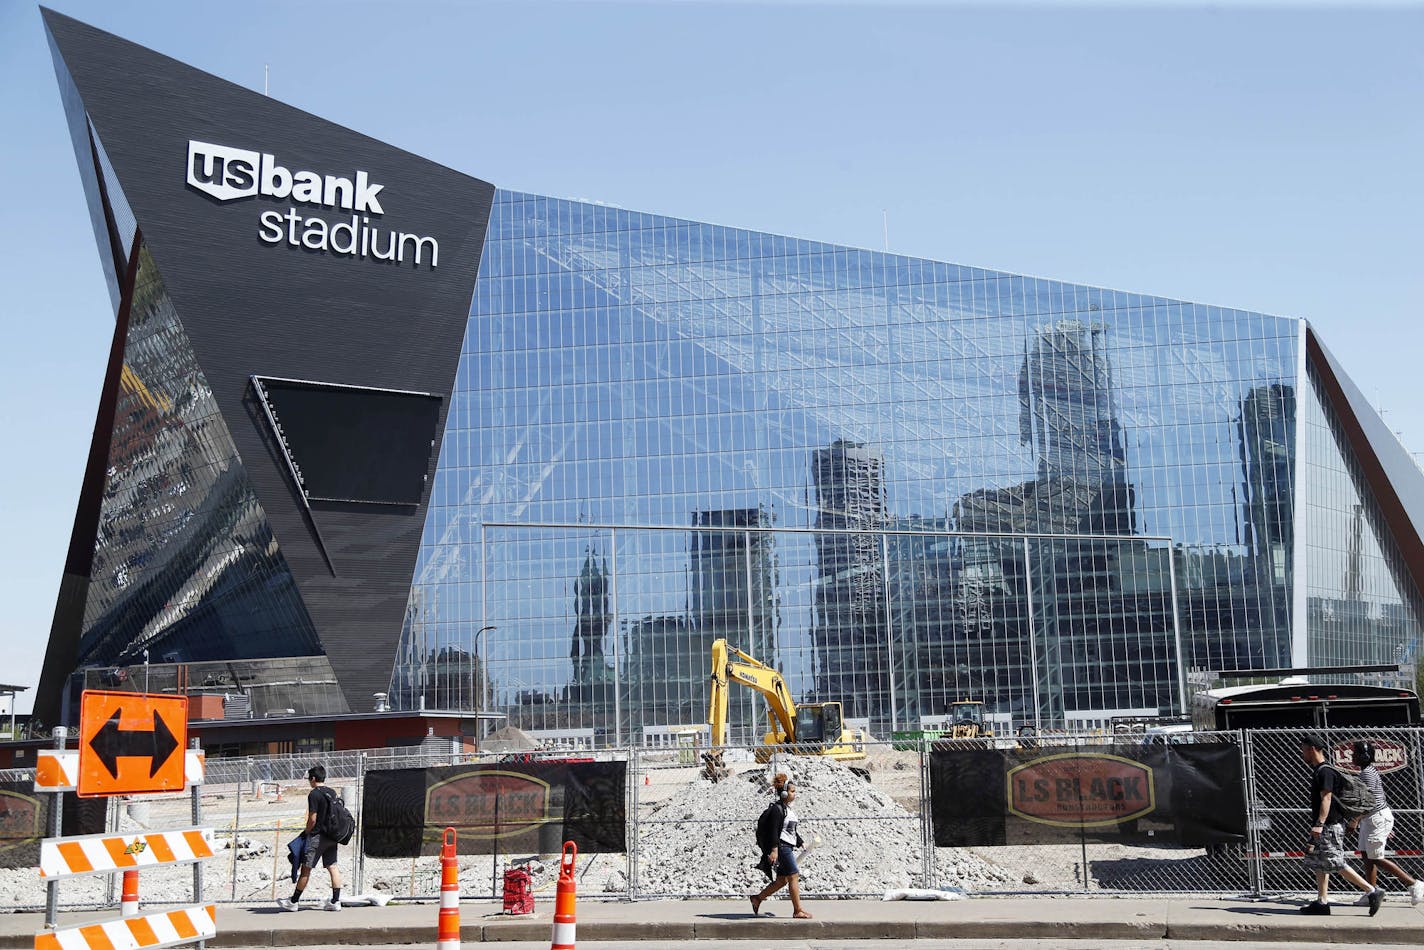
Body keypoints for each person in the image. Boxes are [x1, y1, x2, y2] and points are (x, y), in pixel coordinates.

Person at [1297, 735, 1383, 915]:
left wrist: (1319, 824)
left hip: (1329, 825)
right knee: (1319, 862)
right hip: (1325, 825)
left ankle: (1372, 891)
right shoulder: (1319, 770)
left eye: (1304, 749)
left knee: (1335, 862)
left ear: (1312, 749)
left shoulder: (1325, 771)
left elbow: (1326, 798)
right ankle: (1322, 902)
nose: (1302, 753)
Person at [1346, 740, 1424, 907]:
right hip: (1372, 818)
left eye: (1354, 754)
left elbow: (1368, 802)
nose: (1352, 756)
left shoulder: (1367, 773)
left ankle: (1413, 884)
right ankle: (1371, 892)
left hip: (1375, 817)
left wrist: (1354, 820)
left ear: (1363, 756)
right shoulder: (1367, 771)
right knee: (1367, 856)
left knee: (1376, 857)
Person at [277, 765, 344, 912]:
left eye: (309, 778)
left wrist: (307, 832)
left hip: (318, 836)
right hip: (332, 836)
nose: (309, 781)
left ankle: (293, 901)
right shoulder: (332, 792)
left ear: (313, 779)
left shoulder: (314, 794)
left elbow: (312, 819)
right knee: (332, 866)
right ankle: (335, 901)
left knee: (306, 869)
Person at [750, 780, 811, 919]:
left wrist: (801, 843)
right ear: (784, 793)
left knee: (782, 881)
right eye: (792, 791)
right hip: (782, 847)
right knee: (794, 875)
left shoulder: (787, 809)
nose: (795, 794)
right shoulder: (777, 810)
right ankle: (798, 910)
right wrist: (774, 850)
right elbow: (774, 831)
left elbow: (790, 831)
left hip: (787, 846)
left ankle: (757, 899)